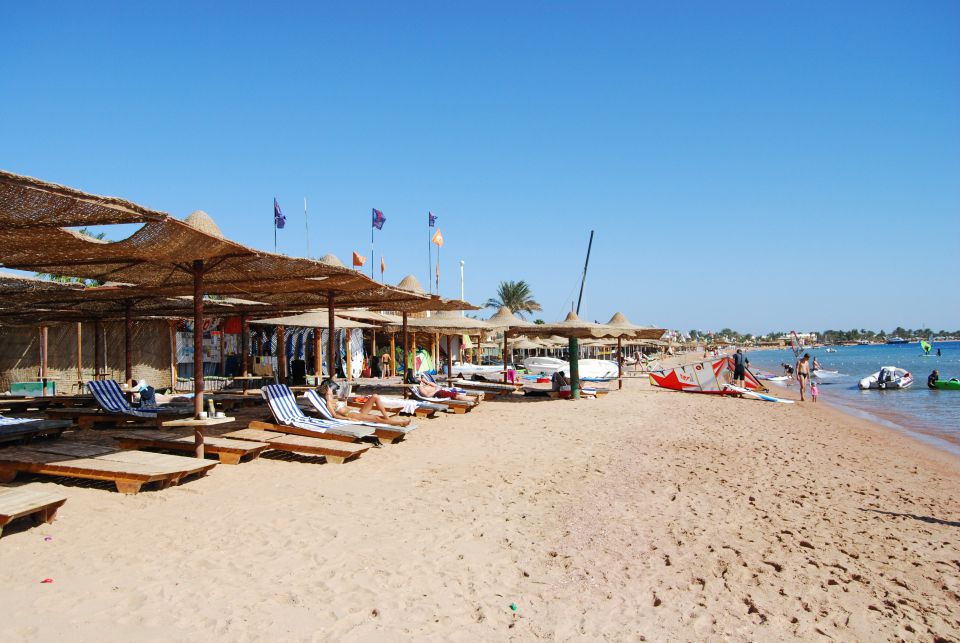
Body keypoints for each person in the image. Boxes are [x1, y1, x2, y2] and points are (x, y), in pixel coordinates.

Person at [317, 378, 411, 427]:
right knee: (377, 418)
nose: (333, 391)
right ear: (326, 390)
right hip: (353, 416)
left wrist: (344, 399)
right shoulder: (329, 403)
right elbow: (335, 416)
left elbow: (342, 406)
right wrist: (348, 419)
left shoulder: (334, 400)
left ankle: (388, 419)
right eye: (331, 389)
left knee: (375, 396)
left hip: (357, 412)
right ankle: (399, 423)